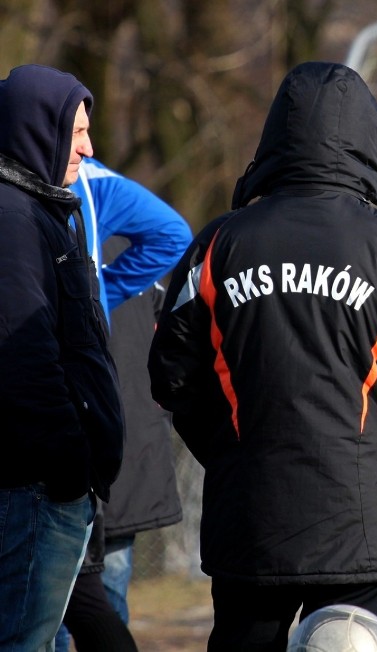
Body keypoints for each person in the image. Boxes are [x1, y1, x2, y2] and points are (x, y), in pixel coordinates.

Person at [147, 61, 377, 651]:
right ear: (370, 139)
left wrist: (232, 452)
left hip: (250, 519)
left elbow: (173, 374)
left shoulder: (220, 241)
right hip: (363, 521)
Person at [0, 64, 124, 650]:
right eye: (74, 131)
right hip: (34, 486)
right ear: (34, 129)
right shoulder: (12, 217)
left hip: (45, 483)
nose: (88, 148)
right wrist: (70, 461)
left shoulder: (36, 208)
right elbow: (24, 355)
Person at [56, 159, 192, 650]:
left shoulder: (116, 222)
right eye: (75, 135)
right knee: (70, 607)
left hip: (119, 456)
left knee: (98, 601)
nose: (85, 151)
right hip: (79, 453)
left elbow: (176, 344)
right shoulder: (42, 230)